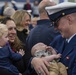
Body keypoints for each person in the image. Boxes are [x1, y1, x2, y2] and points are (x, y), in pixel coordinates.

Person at [30, 1, 76, 75]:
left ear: (69, 20)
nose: (55, 28)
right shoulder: (58, 40)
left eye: (56, 24)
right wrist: (34, 61)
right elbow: (42, 55)